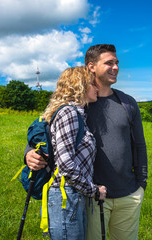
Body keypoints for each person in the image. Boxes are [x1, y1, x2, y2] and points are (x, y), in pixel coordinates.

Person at [26, 66, 107, 240]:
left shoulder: (77, 114)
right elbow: (66, 165)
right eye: (93, 84)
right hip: (66, 197)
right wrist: (93, 190)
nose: (97, 88)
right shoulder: (68, 113)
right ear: (81, 86)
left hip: (73, 196)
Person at [84, 44, 148, 240]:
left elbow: (139, 144)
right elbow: (45, 129)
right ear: (91, 67)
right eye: (109, 63)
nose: (116, 67)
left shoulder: (127, 102)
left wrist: (141, 184)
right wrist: (30, 152)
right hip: (90, 196)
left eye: (117, 63)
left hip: (128, 195)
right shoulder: (78, 102)